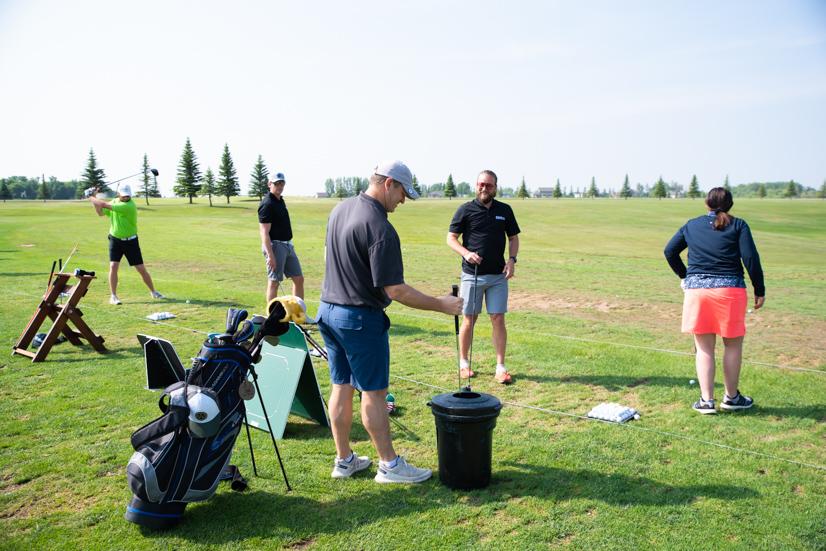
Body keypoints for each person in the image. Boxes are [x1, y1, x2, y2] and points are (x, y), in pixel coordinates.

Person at [317, 160, 463, 483]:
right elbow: (394, 289)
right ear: (388, 185)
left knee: (340, 386)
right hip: (358, 319)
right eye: (402, 193)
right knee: (374, 393)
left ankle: (344, 460)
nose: (403, 201)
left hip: (328, 310)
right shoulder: (380, 228)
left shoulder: (339, 209)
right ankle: (390, 465)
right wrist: (441, 304)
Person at [664, 187, 765, 414]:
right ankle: (731, 398)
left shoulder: (691, 225)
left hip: (698, 292)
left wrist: (685, 275)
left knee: (704, 348)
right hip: (730, 292)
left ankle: (706, 401)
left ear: (706, 203)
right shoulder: (739, 225)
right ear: (730, 204)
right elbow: (750, 258)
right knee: (732, 346)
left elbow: (669, 251)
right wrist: (760, 288)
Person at [447, 169, 521, 385]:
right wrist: (466, 253)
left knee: (498, 318)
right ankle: (464, 363)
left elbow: (513, 238)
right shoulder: (466, 210)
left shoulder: (504, 210)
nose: (484, 188)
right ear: (476, 185)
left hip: (498, 276)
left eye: (488, 185)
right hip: (472, 275)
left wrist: (512, 260)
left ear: (495, 187)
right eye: (480, 184)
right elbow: (451, 238)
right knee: (469, 319)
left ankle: (500, 367)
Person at [88, 183, 164, 305]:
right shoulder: (114, 202)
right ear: (119, 194)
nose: (126, 197)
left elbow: (102, 204)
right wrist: (94, 198)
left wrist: (91, 197)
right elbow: (100, 212)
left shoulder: (129, 206)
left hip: (131, 241)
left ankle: (153, 292)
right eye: (124, 196)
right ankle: (113, 296)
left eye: (128, 195)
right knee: (113, 267)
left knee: (141, 269)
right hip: (115, 240)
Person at [258, 172, 306, 306]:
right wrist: (270, 255)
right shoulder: (267, 204)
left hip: (288, 245)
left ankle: (298, 313)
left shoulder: (280, 200)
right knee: (274, 282)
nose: (279, 186)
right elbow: (264, 232)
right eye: (276, 183)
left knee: (298, 279)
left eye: (282, 183)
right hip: (275, 246)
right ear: (269, 184)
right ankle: (271, 317)